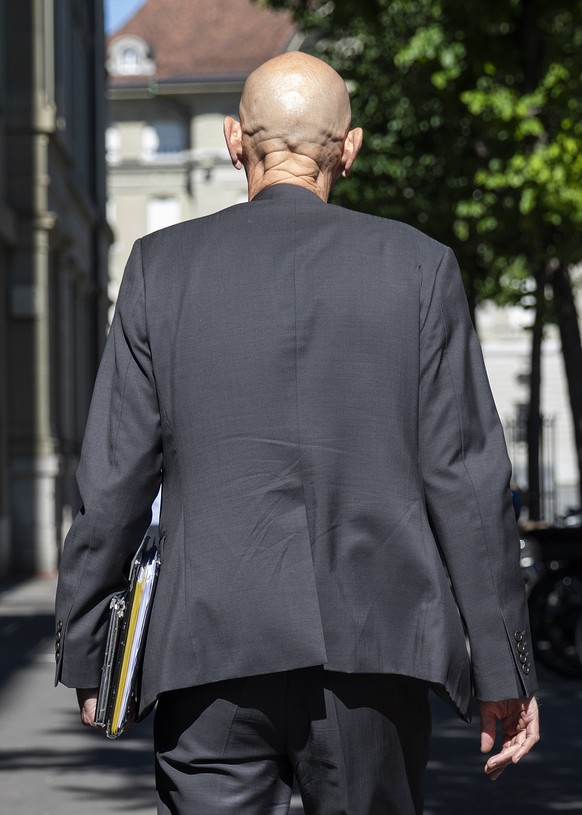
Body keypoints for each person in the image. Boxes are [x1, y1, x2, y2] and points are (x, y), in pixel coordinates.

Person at [55, 52, 539, 814]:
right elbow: (468, 481)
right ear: (349, 148)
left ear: (231, 140)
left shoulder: (159, 268)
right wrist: (507, 671)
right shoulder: (421, 268)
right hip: (374, 654)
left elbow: (112, 478)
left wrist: (87, 645)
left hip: (206, 650)